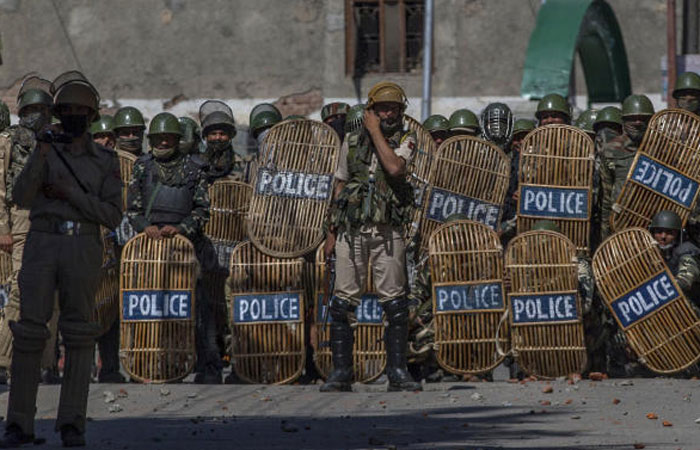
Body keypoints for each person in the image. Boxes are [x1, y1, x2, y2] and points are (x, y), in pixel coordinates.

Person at [1, 71, 122, 447]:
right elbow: (20, 195)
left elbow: (112, 215)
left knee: (80, 333)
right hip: (41, 243)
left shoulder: (104, 160)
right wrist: (40, 155)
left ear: (91, 116)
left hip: (81, 245)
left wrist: (71, 194)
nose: (71, 116)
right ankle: (19, 422)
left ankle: (72, 423)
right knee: (29, 332)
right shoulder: (45, 149)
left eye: (79, 111)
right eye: (64, 110)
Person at [321, 81, 421, 393]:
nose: (387, 113)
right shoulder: (350, 141)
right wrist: (330, 232)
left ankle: (397, 371)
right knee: (342, 302)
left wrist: (375, 131)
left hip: (387, 231)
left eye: (393, 108)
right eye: (381, 109)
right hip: (352, 231)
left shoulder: (407, 139)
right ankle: (341, 372)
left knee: (395, 303)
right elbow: (339, 186)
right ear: (371, 111)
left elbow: (393, 168)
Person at [125, 112, 216, 383]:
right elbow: (132, 210)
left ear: (177, 140)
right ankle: (143, 364)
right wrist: (145, 227)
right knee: (147, 306)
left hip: (185, 247)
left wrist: (181, 229)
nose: (163, 143)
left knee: (197, 306)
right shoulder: (142, 167)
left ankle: (208, 366)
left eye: (168, 138)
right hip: (149, 248)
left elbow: (202, 210)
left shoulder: (194, 168)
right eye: (158, 138)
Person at [0, 80, 62, 386]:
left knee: (52, 296)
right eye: (32, 109)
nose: (37, 115)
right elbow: (0, 189)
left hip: (53, 220)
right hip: (22, 218)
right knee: (20, 291)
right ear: (22, 111)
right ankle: (4, 360)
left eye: (42, 109)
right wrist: (4, 228)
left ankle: (47, 363)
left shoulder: (57, 140)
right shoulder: (9, 141)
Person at [599, 94, 655, 240]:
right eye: (632, 118)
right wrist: (605, 236)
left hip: (656, 223)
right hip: (622, 222)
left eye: (643, 119)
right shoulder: (610, 150)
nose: (637, 123)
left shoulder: (663, 149)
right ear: (623, 121)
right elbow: (607, 194)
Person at [500, 118, 535, 244]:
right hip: (509, 219)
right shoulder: (506, 162)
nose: (521, 142)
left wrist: (530, 194)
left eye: (525, 137)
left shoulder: (543, 162)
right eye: (517, 138)